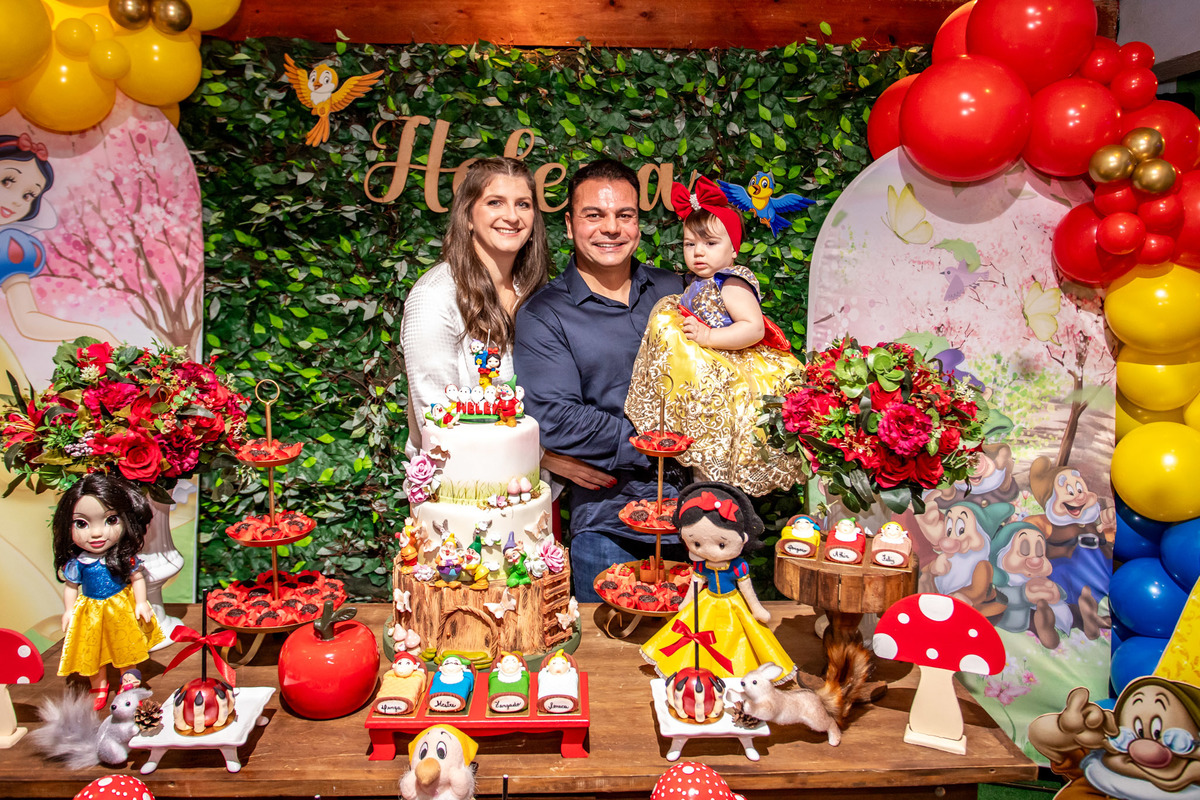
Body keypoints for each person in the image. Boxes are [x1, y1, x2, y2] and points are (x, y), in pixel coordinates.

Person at [513, 159, 687, 601]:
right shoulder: (545, 313)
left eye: (624, 215)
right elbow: (556, 418)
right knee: (610, 643)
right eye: (595, 215)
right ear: (570, 225)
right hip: (611, 523)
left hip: (702, 517)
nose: (611, 228)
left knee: (707, 639)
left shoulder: (677, 291)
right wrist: (670, 442)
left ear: (638, 224)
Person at [625, 176, 805, 495]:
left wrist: (708, 337)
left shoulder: (731, 282)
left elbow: (753, 327)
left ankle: (717, 497)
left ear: (733, 249)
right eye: (689, 244)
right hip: (709, 377)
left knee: (724, 446)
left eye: (710, 244)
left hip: (735, 376)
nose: (698, 252)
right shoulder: (699, 282)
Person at [401, 157, 550, 457]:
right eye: (495, 202)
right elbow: (438, 423)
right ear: (468, 216)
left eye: (523, 204)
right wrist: (547, 457)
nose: (512, 216)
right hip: (461, 478)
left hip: (538, 480)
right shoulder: (434, 296)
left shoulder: (536, 292)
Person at [641, 481, 795, 682]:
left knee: (736, 637)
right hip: (707, 602)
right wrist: (687, 602)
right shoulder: (702, 566)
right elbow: (696, 583)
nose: (709, 551)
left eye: (722, 544)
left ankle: (734, 671)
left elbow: (747, 589)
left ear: (743, 538)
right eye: (696, 543)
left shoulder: (737, 567)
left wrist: (756, 609)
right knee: (699, 634)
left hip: (732, 604)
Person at [52, 473, 164, 710]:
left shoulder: (123, 558)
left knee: (125, 644)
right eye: (81, 524)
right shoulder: (78, 562)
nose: (96, 533)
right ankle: (98, 683)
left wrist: (141, 602)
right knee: (94, 648)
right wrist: (68, 610)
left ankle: (128, 678)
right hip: (90, 611)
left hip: (120, 608)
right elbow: (71, 586)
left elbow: (137, 577)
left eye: (110, 520)